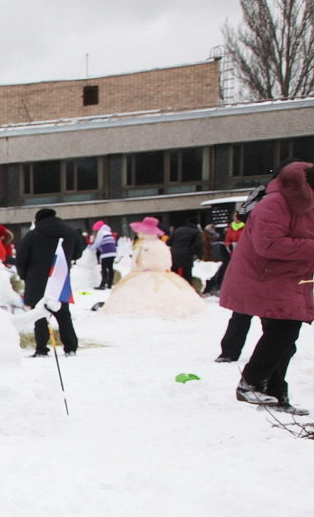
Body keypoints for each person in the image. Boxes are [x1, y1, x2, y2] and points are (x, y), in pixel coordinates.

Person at [219, 160, 314, 414]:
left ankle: (275, 394)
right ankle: (250, 382)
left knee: (285, 339)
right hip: (264, 279)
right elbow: (269, 244)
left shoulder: (305, 205)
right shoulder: (277, 203)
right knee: (282, 333)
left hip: (287, 280)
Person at [99, 217, 206, 319]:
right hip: (145, 273)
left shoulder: (153, 245)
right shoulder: (147, 245)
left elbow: (157, 261)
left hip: (151, 274)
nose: (140, 233)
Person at [15, 208, 85, 356]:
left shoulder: (32, 235)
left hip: (36, 280)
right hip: (60, 278)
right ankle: (70, 347)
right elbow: (78, 253)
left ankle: (41, 348)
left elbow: (21, 259)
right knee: (63, 313)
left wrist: (24, 276)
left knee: (39, 315)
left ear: (37, 220)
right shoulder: (70, 233)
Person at [168, 223, 205, 287]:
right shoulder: (196, 232)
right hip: (187, 254)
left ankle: (173, 288)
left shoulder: (177, 230)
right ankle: (187, 289)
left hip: (174, 253)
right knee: (187, 274)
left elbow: (169, 242)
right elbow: (199, 245)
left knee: (174, 273)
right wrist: (200, 255)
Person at [91, 221, 118, 290]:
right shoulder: (108, 232)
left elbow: (98, 242)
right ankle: (109, 284)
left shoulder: (101, 232)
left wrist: (91, 248)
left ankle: (102, 284)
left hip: (106, 252)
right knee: (110, 267)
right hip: (113, 252)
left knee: (104, 268)